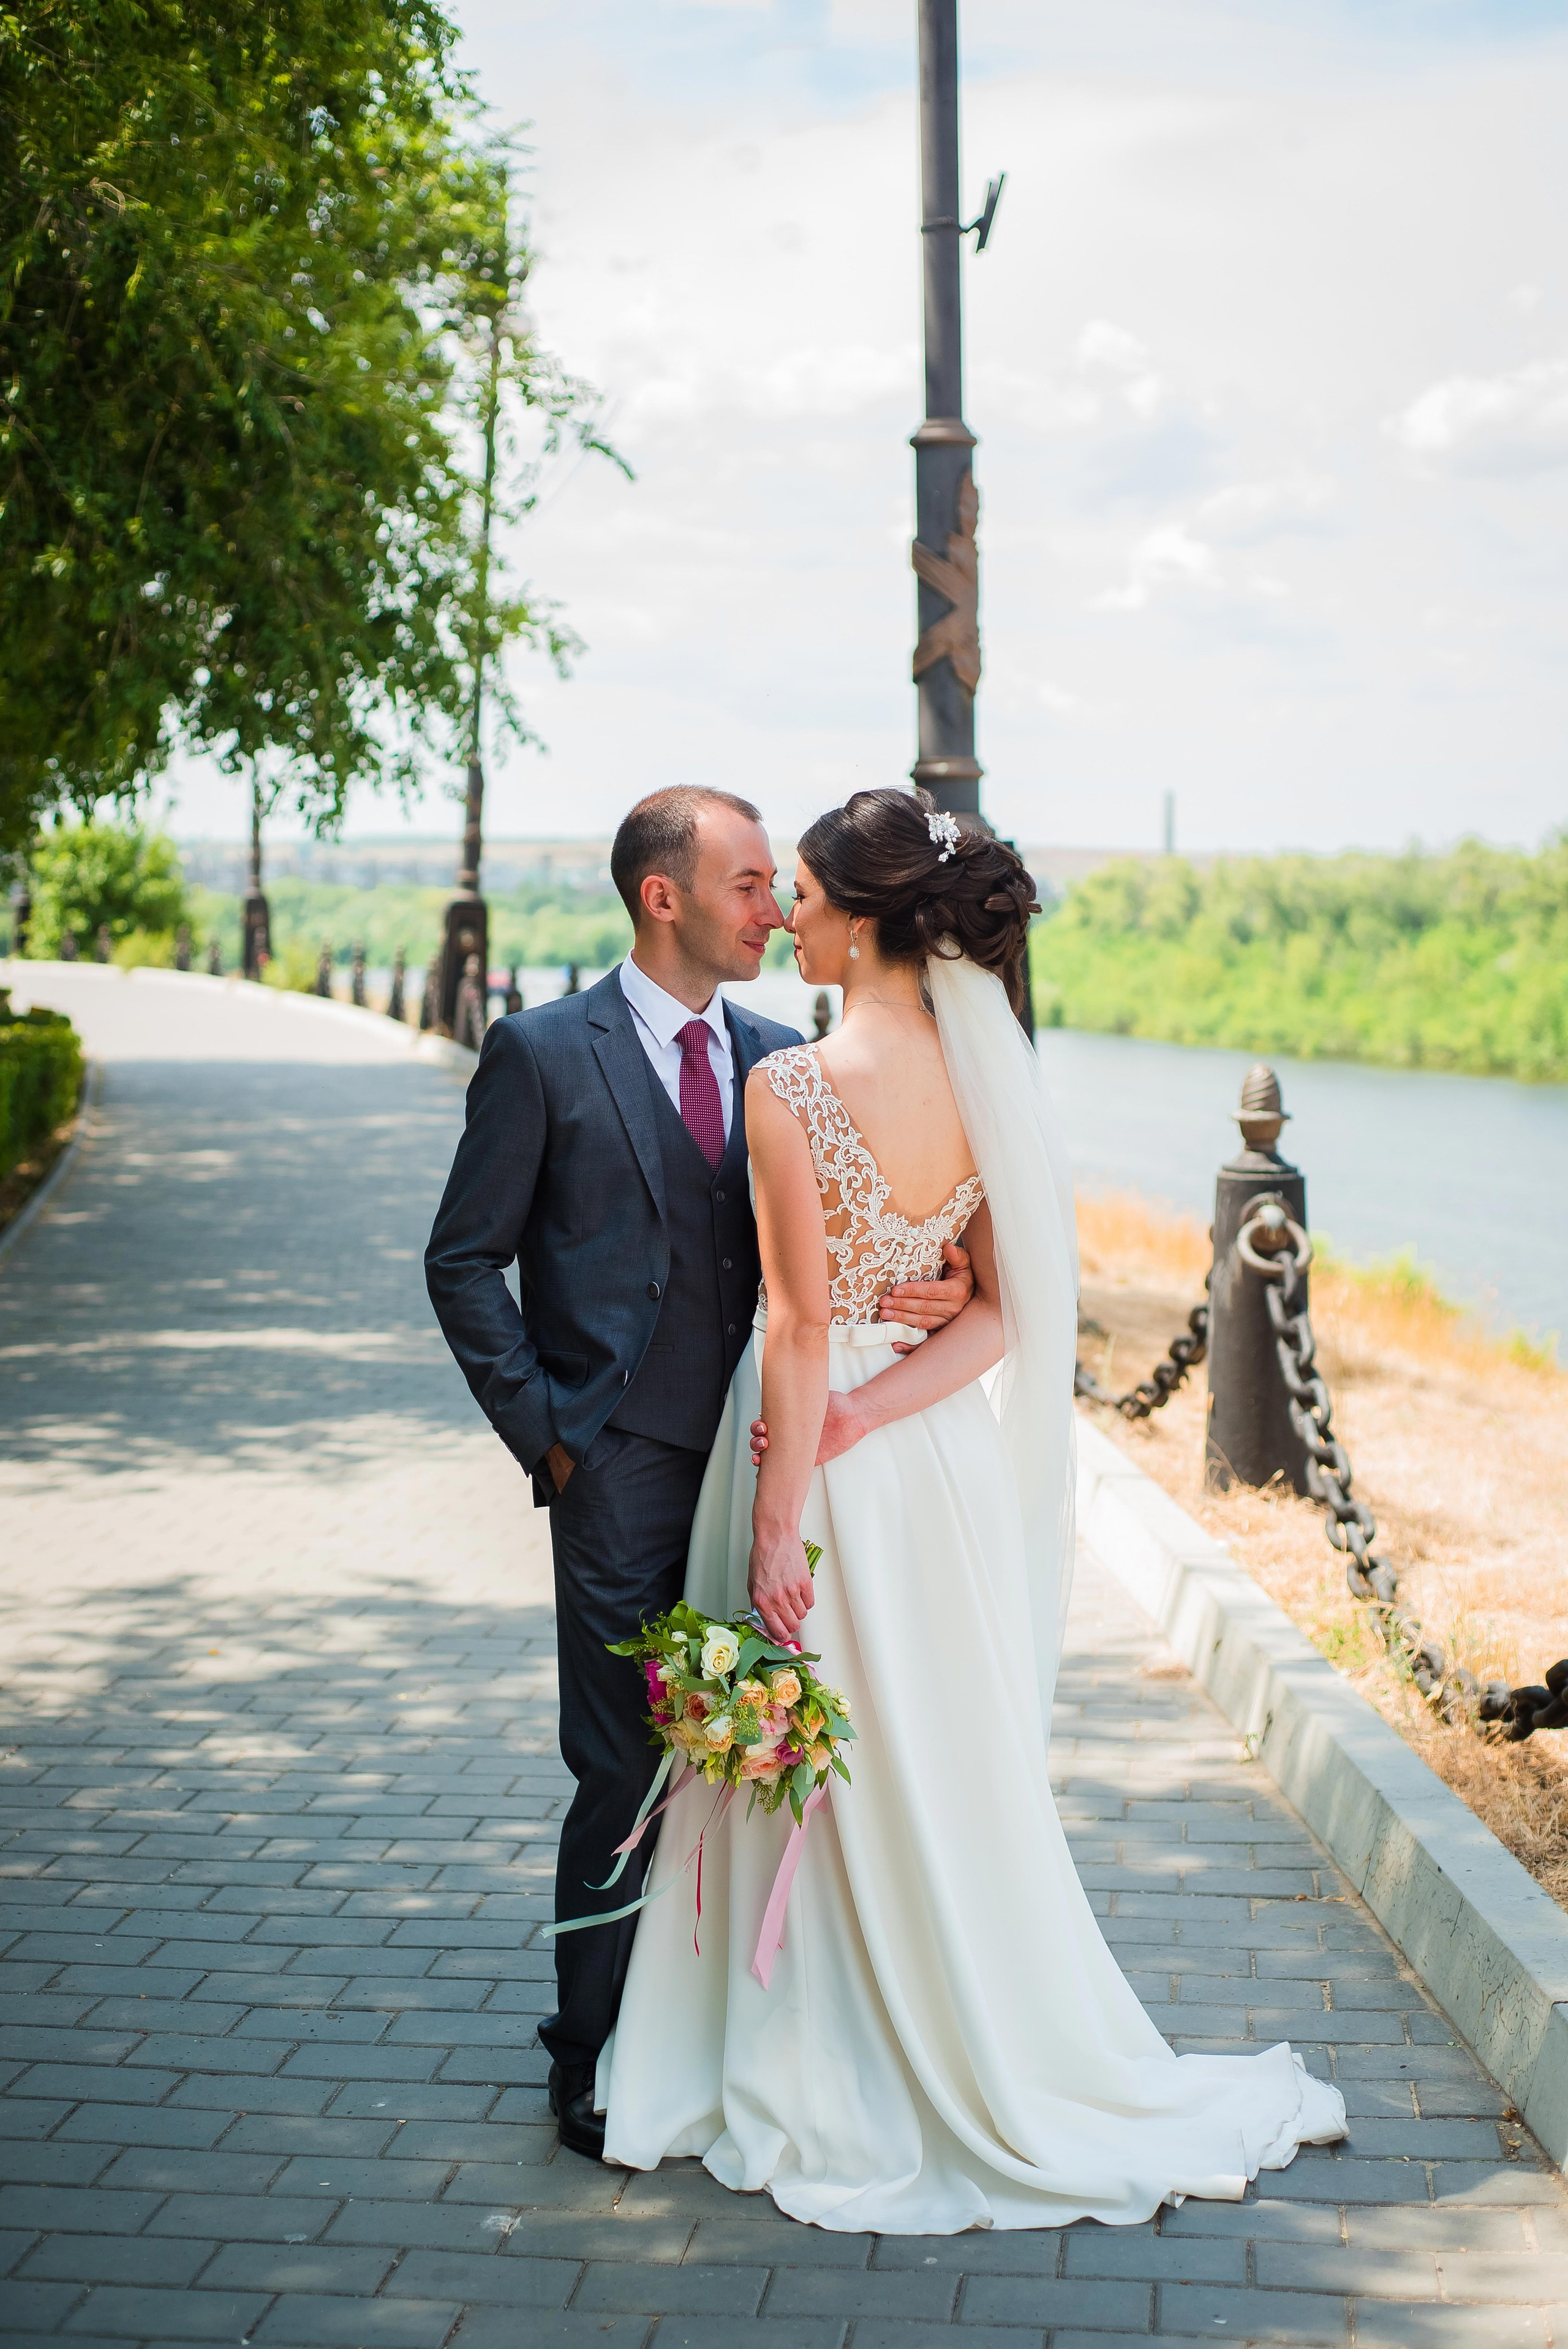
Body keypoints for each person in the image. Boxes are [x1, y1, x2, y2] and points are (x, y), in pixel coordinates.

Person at [599, 787, 1346, 2231]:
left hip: (809, 1454)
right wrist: (886, 1417)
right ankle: (944, 2027)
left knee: (804, 1736)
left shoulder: (791, 1086)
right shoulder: (979, 1072)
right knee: (919, 1756)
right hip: (918, 1465)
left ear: (864, 915)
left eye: (802, 893)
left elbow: (804, 1328)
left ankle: (799, 2055)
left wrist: (777, 1509)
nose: (786, 915)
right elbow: (1003, 1316)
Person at [423, 786, 974, 2161]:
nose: (771, 910)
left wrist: (937, 1276)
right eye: (744, 884)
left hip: (767, 1463)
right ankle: (586, 2050)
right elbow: (461, 1259)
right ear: (661, 896)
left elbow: (828, 1255)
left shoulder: (787, 1054)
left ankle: (734, 2039)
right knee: (619, 1764)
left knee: (757, 1757)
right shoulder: (543, 1052)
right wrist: (550, 1431)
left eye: (775, 888)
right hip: (614, 1465)